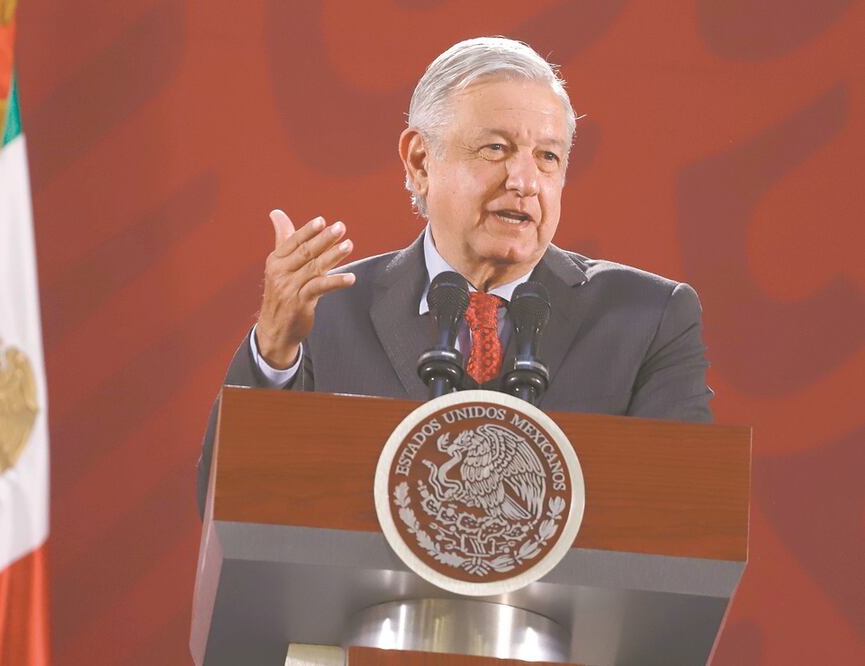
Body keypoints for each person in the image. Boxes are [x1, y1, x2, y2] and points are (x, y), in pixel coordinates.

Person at [197, 37, 713, 510]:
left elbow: (686, 513)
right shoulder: (326, 313)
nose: (524, 180)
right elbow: (226, 502)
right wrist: (273, 352)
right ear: (421, 161)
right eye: (496, 149)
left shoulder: (648, 319)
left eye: (548, 157)